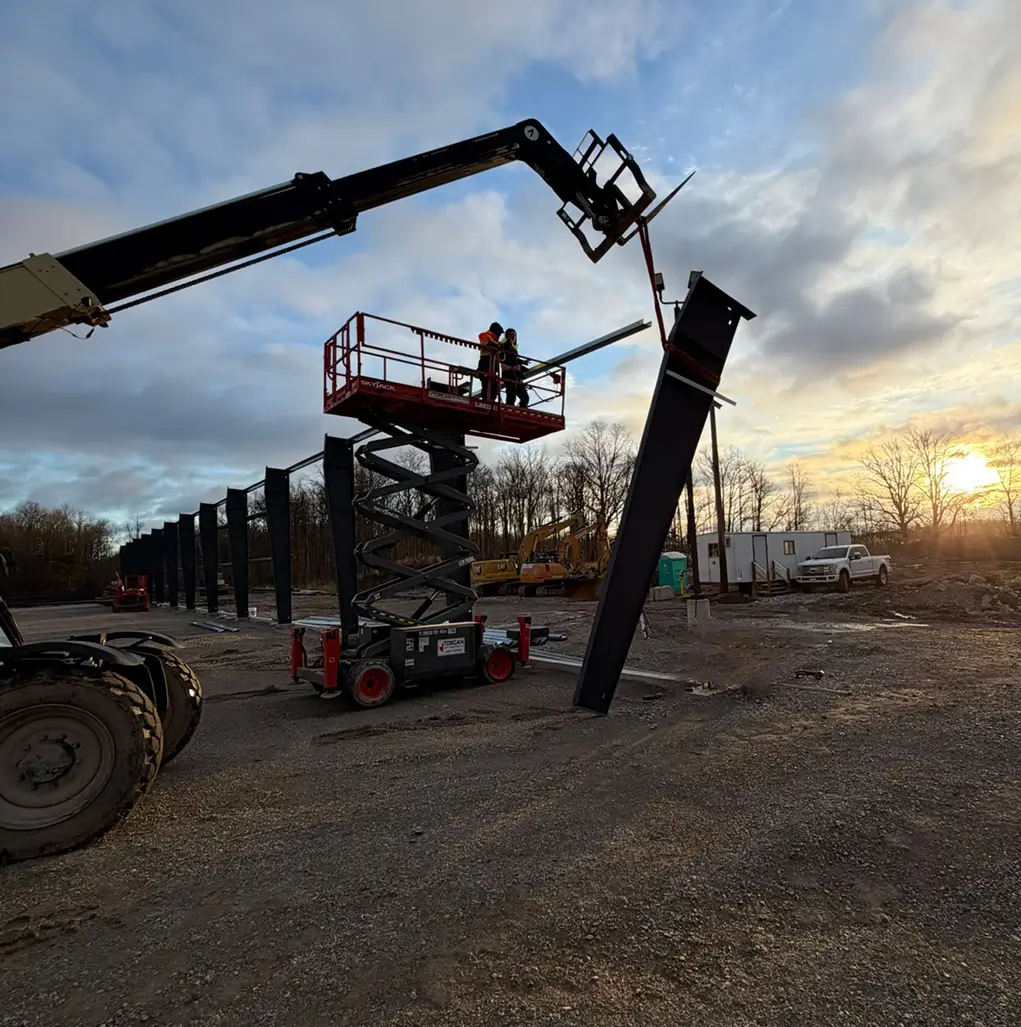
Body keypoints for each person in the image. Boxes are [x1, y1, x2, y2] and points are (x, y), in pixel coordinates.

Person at [500, 328, 529, 407]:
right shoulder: (504, 348)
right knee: (511, 398)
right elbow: (502, 365)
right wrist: (513, 368)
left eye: (515, 335)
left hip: (517, 378)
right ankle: (509, 412)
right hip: (509, 377)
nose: (513, 336)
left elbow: (515, 360)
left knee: (525, 397)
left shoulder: (514, 349)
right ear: (507, 336)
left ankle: (522, 413)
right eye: (511, 334)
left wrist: (522, 363)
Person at [477, 321, 502, 401]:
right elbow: (486, 344)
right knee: (486, 382)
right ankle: (486, 400)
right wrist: (497, 345)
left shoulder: (495, 340)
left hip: (493, 363)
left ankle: (491, 400)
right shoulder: (486, 335)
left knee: (493, 384)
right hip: (486, 361)